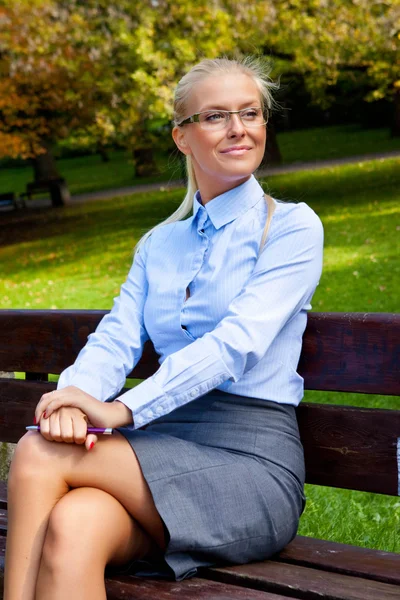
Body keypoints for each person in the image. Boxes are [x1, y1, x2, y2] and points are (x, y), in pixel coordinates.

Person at [4, 56, 323, 600]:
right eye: (217, 116)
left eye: (251, 113)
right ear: (182, 137)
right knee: (74, 525)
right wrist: (75, 396)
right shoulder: (159, 244)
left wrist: (121, 411)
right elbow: (116, 336)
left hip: (248, 469)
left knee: (37, 451)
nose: (239, 128)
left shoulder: (292, 227)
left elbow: (233, 347)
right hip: (159, 454)